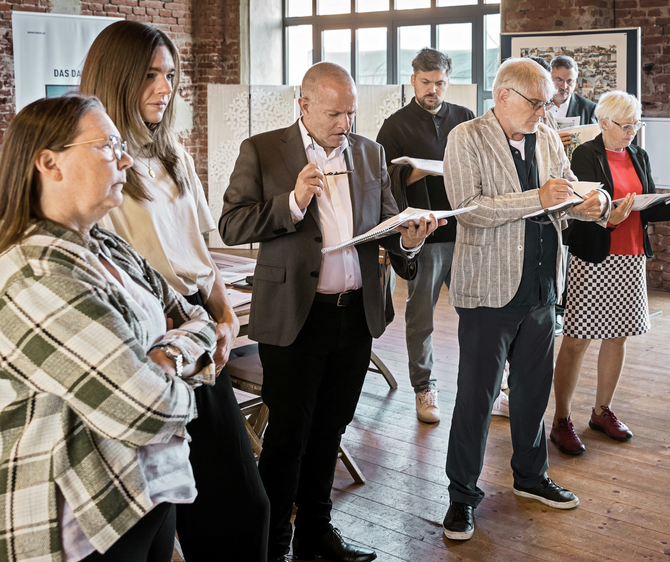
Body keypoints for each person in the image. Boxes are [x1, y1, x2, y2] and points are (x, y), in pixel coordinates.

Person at [220, 62, 442, 562]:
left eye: (351, 112)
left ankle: (315, 536)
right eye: (334, 113)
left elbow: (389, 224)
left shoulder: (370, 152)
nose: (346, 123)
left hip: (354, 315)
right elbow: (232, 224)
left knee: (332, 429)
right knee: (287, 440)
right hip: (297, 317)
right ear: (303, 105)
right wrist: (293, 202)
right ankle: (271, 546)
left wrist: (408, 241)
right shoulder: (262, 150)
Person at [78, 20, 271, 561]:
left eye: (170, 75)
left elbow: (200, 257)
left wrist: (225, 317)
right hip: (153, 349)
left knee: (241, 504)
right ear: (116, 78)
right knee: (159, 518)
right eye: (150, 75)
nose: (165, 88)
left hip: (200, 340)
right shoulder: (100, 167)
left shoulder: (174, 156)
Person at [0, 95, 216, 562]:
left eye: (121, 144)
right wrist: (184, 365)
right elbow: (146, 410)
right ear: (49, 163)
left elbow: (197, 318)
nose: (123, 158)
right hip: (82, 517)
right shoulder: (36, 275)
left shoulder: (104, 244)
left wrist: (169, 356)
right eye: (106, 146)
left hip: (145, 489)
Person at [440, 57, 610, 541]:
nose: (545, 110)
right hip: (488, 291)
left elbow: (561, 202)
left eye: (547, 102)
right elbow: (469, 210)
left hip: (540, 287)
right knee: (477, 397)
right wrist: (539, 196)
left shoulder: (549, 137)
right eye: (536, 102)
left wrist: (590, 207)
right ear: (503, 97)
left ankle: (531, 478)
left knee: (534, 393)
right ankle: (461, 497)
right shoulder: (466, 138)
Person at [549, 91, 670, 455]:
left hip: (631, 256)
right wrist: (609, 216)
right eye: (625, 126)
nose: (631, 133)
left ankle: (601, 411)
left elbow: (650, 208)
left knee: (619, 335)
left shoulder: (638, 154)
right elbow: (580, 210)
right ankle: (561, 420)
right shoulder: (584, 154)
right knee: (577, 339)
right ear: (604, 123)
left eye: (635, 125)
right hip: (594, 256)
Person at [377, 48, 475, 424]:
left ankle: (489, 385)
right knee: (422, 316)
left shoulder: (465, 118)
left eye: (440, 83)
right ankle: (424, 387)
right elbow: (381, 178)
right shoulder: (396, 124)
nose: (433, 90)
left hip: (465, 229)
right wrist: (415, 174)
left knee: (478, 313)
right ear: (413, 79)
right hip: (424, 234)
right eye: (426, 82)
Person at [548, 55, 598, 146]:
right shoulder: (536, 104)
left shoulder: (589, 109)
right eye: (559, 80)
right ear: (549, 78)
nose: (564, 86)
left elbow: (594, 145)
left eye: (569, 81)